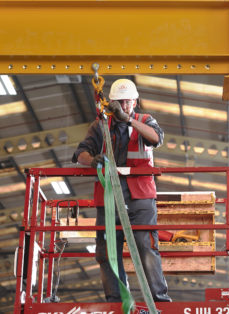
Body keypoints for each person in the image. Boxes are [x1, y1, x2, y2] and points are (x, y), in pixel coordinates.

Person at [72, 78, 171, 303]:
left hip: (140, 197)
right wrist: (93, 160)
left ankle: (159, 299)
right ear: (111, 104)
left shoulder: (145, 120)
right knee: (106, 253)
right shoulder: (100, 126)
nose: (124, 106)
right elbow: (81, 153)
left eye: (128, 102)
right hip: (108, 198)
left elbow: (156, 138)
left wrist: (128, 120)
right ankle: (115, 301)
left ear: (135, 101)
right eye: (119, 102)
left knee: (146, 246)